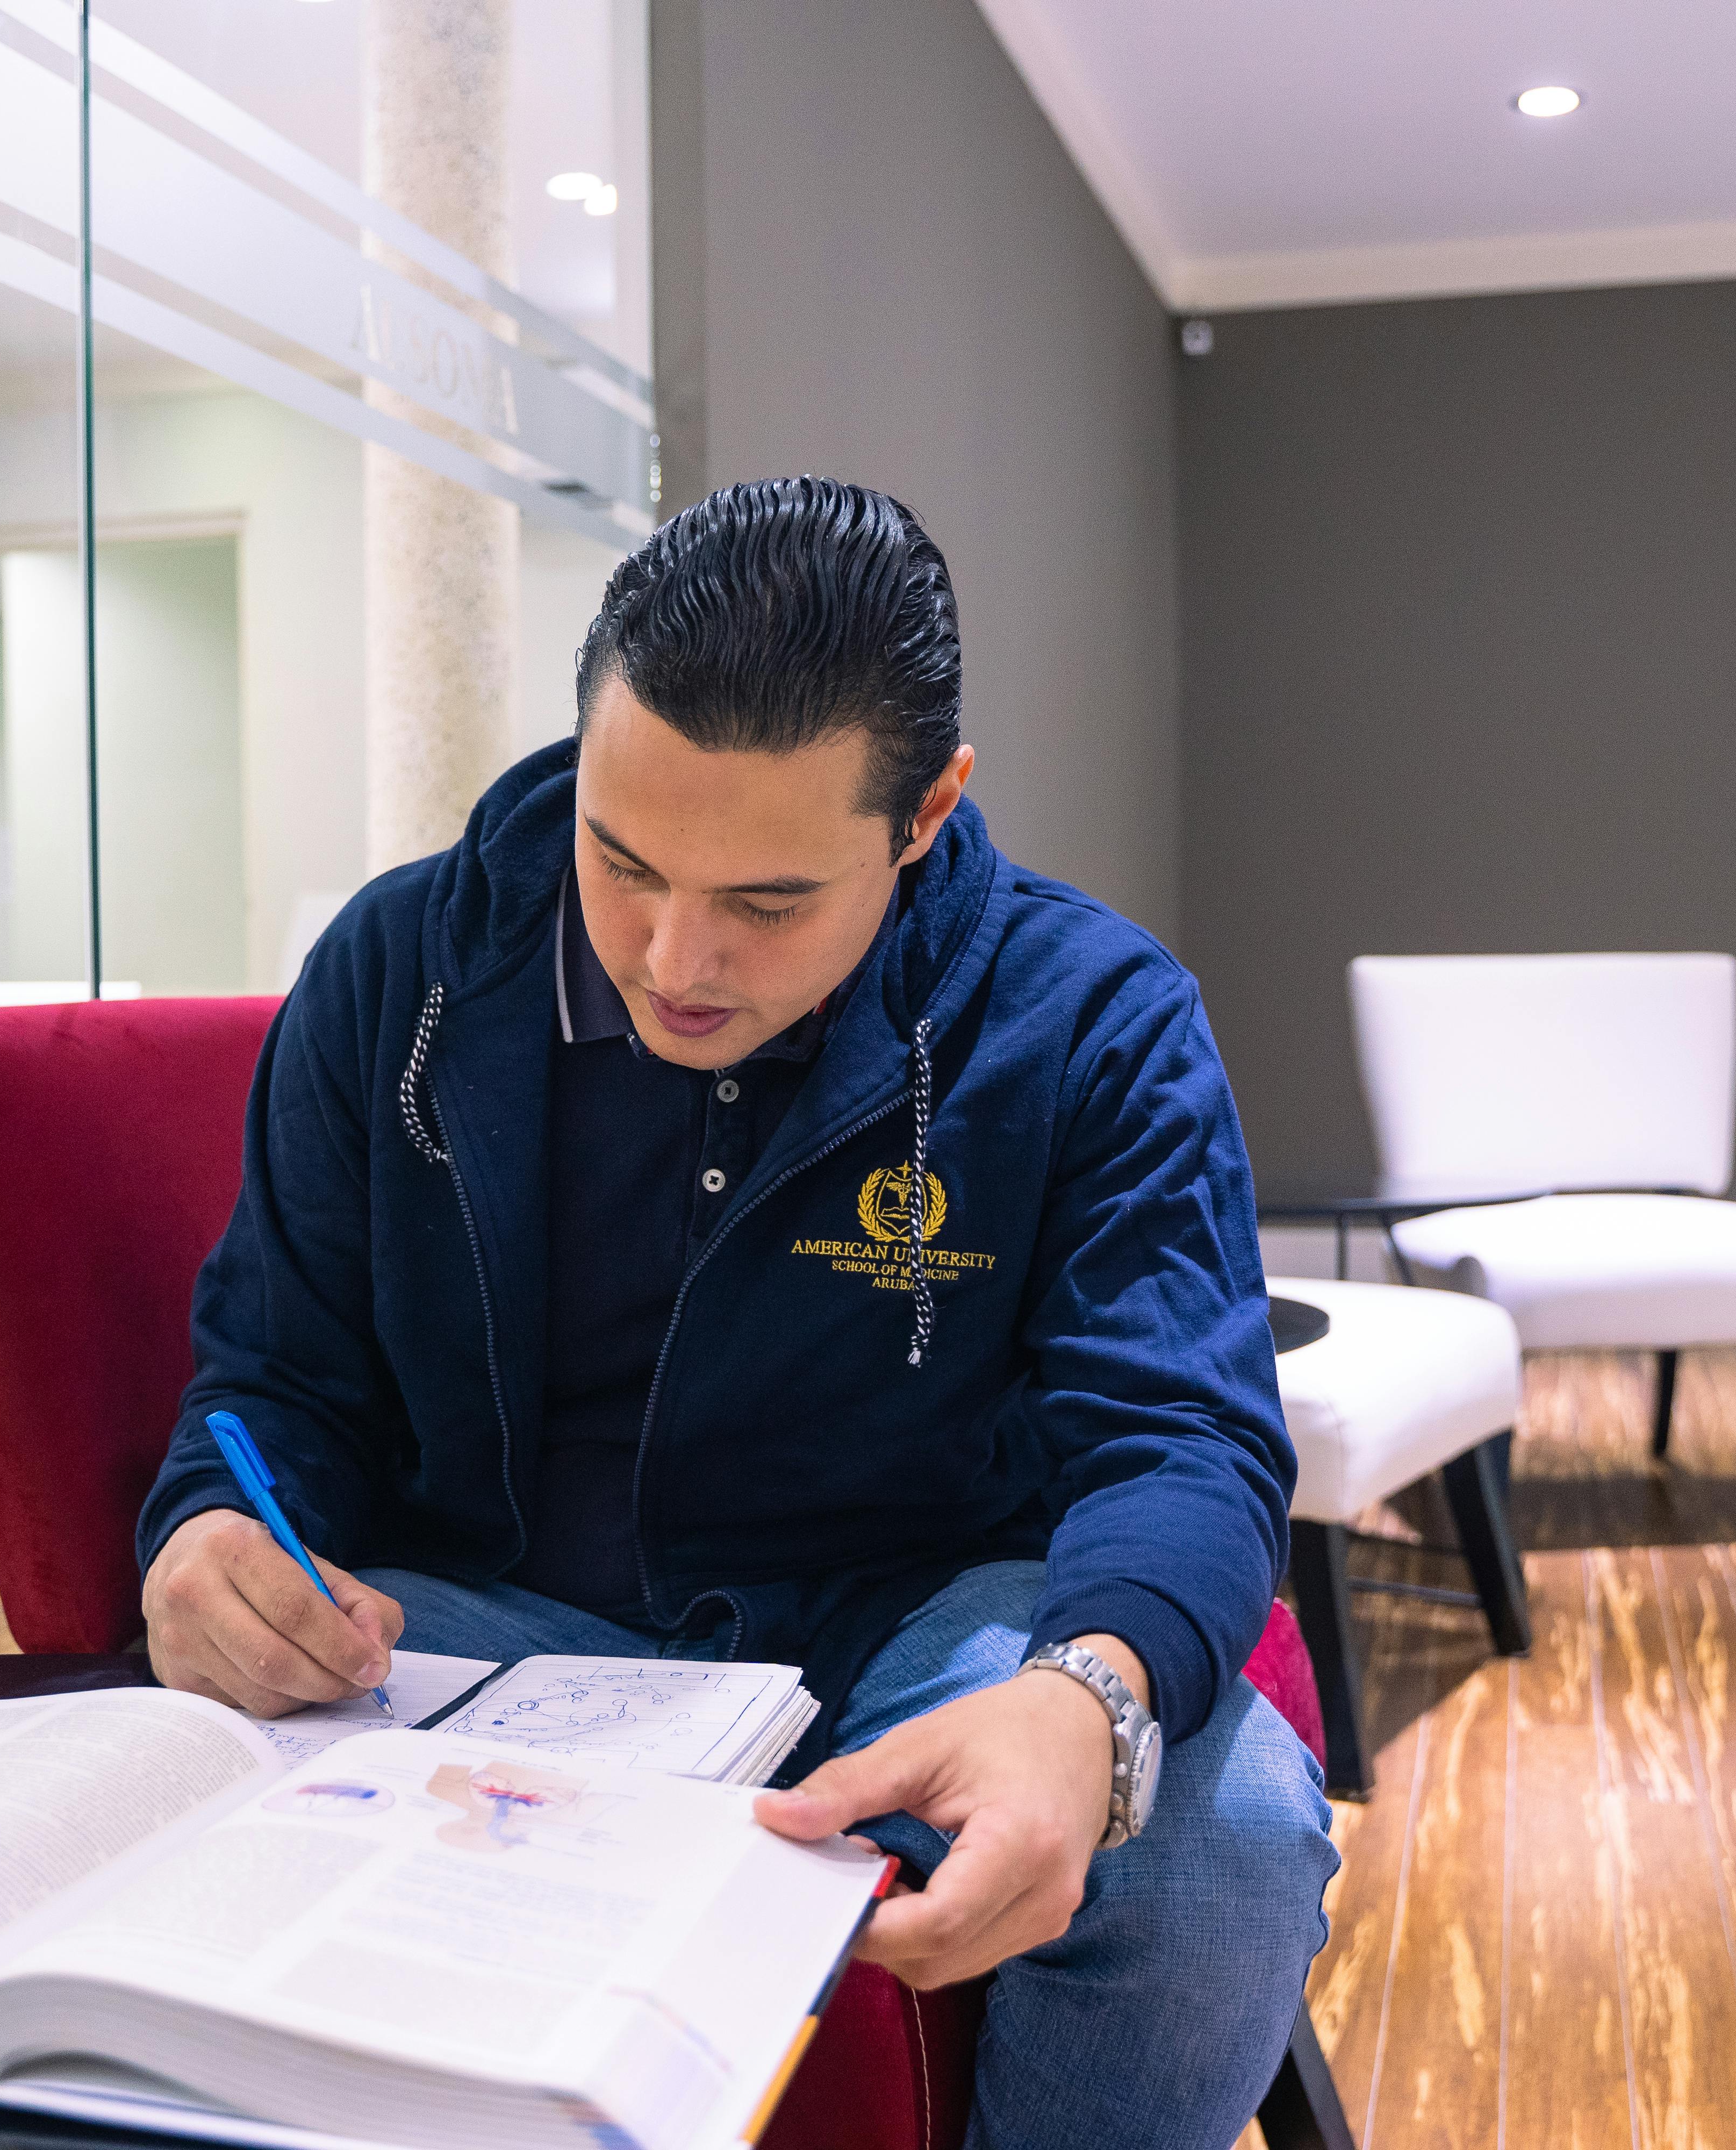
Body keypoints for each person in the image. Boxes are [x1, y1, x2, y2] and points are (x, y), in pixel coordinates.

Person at [136, 476, 1332, 2149]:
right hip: (494, 1618)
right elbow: (274, 1383)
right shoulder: (397, 974)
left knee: (1225, 1847)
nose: (672, 960)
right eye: (621, 860)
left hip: (917, 1624)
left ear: (925, 816)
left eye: (768, 903)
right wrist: (206, 1535)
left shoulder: (1092, 1018)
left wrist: (1091, 1696)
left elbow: (1185, 1437)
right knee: (164, 1767)